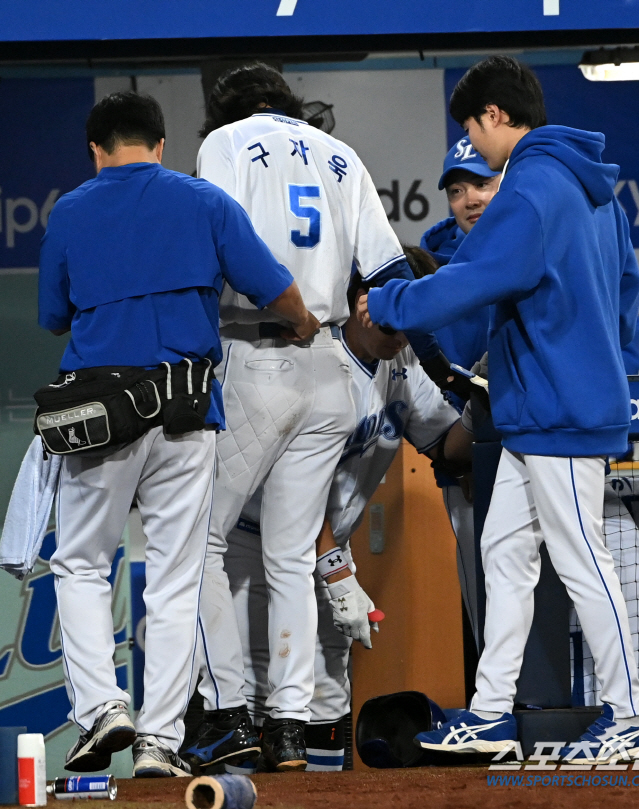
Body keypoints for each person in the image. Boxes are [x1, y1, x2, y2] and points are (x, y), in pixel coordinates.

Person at [358, 56, 639, 763]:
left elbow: (479, 274)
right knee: (505, 555)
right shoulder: (592, 189)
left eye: (471, 125)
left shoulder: (532, 183)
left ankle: (630, 714)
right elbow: (626, 288)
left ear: (495, 115)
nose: (473, 142)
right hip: (544, 405)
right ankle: (492, 710)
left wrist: (395, 302)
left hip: (558, 407)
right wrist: (613, 367)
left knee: (584, 560)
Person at [40, 92, 315, 778]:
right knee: (175, 574)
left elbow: (51, 315)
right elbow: (273, 287)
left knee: (79, 564)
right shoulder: (203, 201)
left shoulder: (70, 210)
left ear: (96, 150)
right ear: (160, 145)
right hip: (186, 410)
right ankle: (161, 740)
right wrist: (305, 321)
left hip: (102, 409)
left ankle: (104, 707)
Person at [191, 63, 429, 771]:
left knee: (197, 541)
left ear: (227, 107)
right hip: (328, 365)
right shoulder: (343, 155)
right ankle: (291, 726)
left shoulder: (227, 142)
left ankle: (228, 712)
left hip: (253, 350)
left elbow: (213, 251)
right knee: (291, 556)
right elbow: (391, 276)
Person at [185, 271, 471, 772]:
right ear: (362, 302)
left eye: (415, 318)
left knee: (325, 699)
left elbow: (447, 448)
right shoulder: (308, 354)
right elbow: (289, 490)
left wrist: (480, 410)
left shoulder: (400, 362)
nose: (404, 330)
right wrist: (336, 570)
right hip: (250, 549)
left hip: (319, 556)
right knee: (251, 699)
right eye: (397, 314)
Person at [408, 137, 501, 638]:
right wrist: (459, 456)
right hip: (471, 465)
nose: (471, 199)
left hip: (541, 450)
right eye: (458, 189)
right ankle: (501, 713)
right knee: (489, 610)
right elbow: (432, 379)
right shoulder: (431, 274)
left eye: (483, 183)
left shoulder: (530, 250)